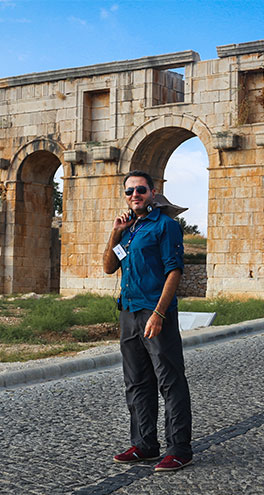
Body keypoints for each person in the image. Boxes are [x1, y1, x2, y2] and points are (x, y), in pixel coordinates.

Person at [102, 170, 193, 472]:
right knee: (137, 382)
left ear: (153, 192)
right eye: (129, 191)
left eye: (140, 190)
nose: (134, 195)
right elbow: (107, 267)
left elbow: (174, 271)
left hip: (155, 313)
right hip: (128, 312)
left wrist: (159, 313)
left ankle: (179, 449)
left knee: (170, 381)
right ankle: (145, 445)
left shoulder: (166, 226)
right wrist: (116, 232)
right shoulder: (128, 229)